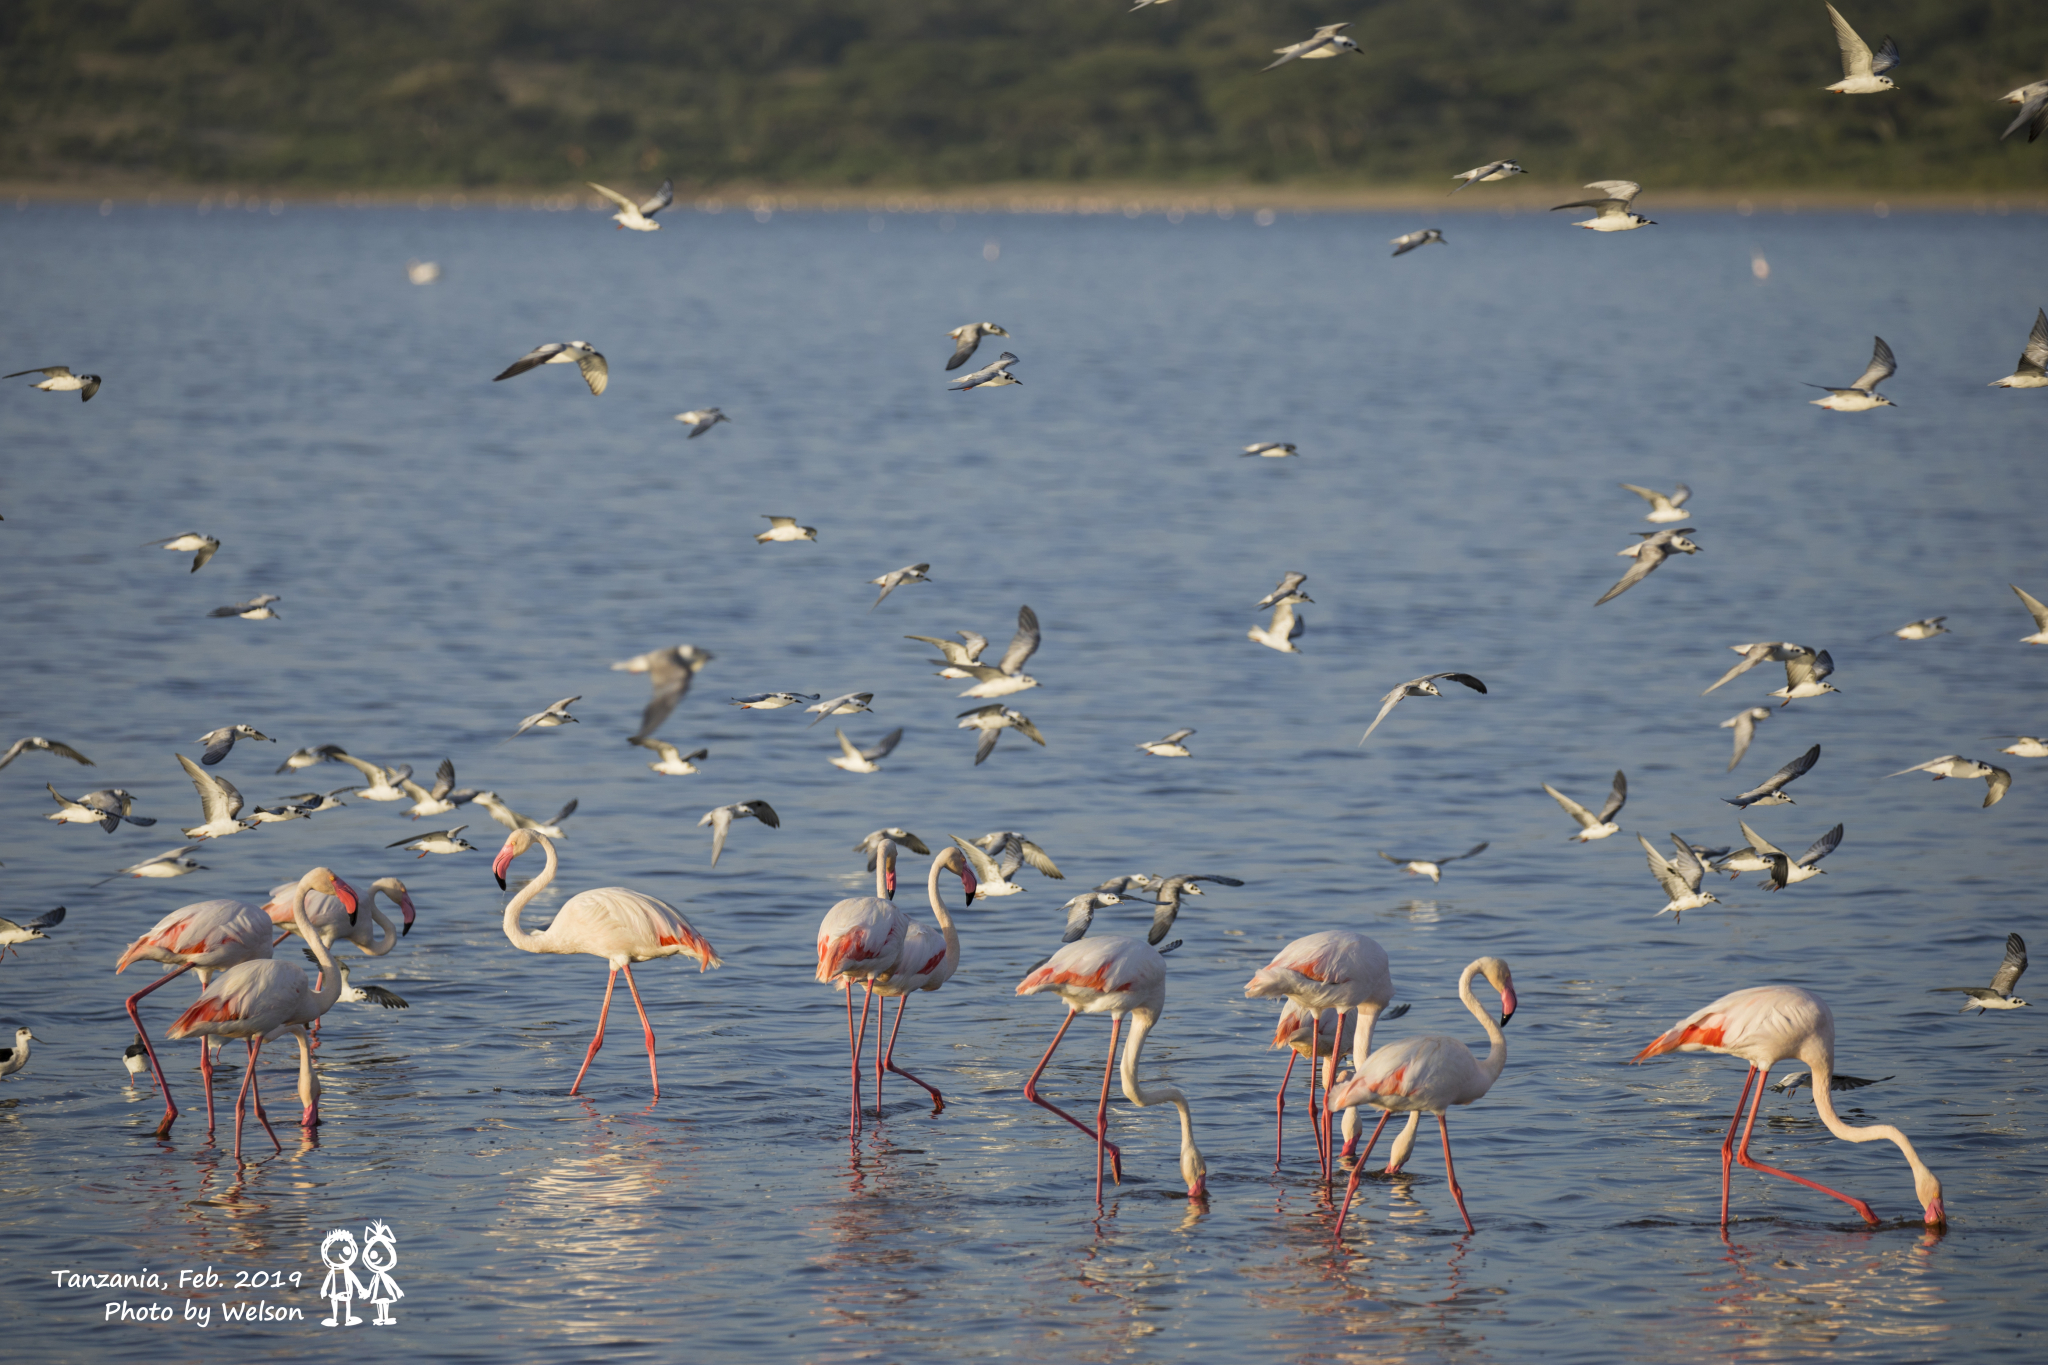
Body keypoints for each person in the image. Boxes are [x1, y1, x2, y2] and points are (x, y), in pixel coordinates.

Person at [360, 1221, 404, 1326]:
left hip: (385, 1291)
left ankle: (385, 1318)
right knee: (380, 1304)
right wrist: (368, 1292)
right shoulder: (377, 1276)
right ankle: (381, 1318)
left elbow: (391, 1282)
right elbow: (372, 1284)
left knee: (385, 1303)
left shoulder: (384, 1275)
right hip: (378, 1292)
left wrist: (398, 1290)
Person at [318, 1229, 364, 1327]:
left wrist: (361, 1289)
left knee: (346, 1303)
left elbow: (355, 1280)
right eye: (333, 1251)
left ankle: (348, 1318)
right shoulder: (332, 1271)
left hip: (345, 1292)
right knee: (335, 1303)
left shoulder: (347, 1271)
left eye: (346, 1251)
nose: (339, 1255)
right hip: (335, 1293)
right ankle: (334, 1318)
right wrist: (324, 1290)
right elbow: (327, 1281)